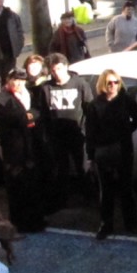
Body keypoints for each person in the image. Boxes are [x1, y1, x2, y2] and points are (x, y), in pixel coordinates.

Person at [84, 68, 137, 240]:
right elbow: (90, 132)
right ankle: (105, 224)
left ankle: (131, 223)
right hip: (103, 151)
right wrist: (90, 156)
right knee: (106, 190)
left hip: (123, 149)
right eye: (109, 82)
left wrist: (125, 133)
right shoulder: (95, 105)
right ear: (103, 84)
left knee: (127, 188)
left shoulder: (126, 101)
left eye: (116, 82)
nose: (113, 85)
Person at [41, 53, 94, 210]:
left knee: (83, 167)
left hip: (78, 134)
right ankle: (62, 200)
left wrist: (86, 131)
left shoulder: (79, 84)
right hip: (57, 136)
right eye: (53, 69)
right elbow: (44, 113)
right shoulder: (46, 87)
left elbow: (89, 108)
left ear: (66, 67)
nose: (56, 72)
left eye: (59, 68)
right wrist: (47, 134)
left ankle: (89, 198)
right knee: (61, 169)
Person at [0, 68, 45, 232]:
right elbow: (15, 119)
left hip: (31, 146)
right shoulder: (4, 99)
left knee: (33, 185)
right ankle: (21, 224)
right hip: (15, 152)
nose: (18, 84)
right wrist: (28, 116)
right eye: (15, 80)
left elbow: (37, 112)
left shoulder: (28, 94)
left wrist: (29, 115)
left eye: (21, 81)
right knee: (19, 188)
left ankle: (36, 220)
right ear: (9, 80)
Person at [0, 0, 24, 82]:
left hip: (9, 53)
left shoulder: (12, 15)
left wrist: (18, 46)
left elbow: (19, 31)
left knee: (8, 79)